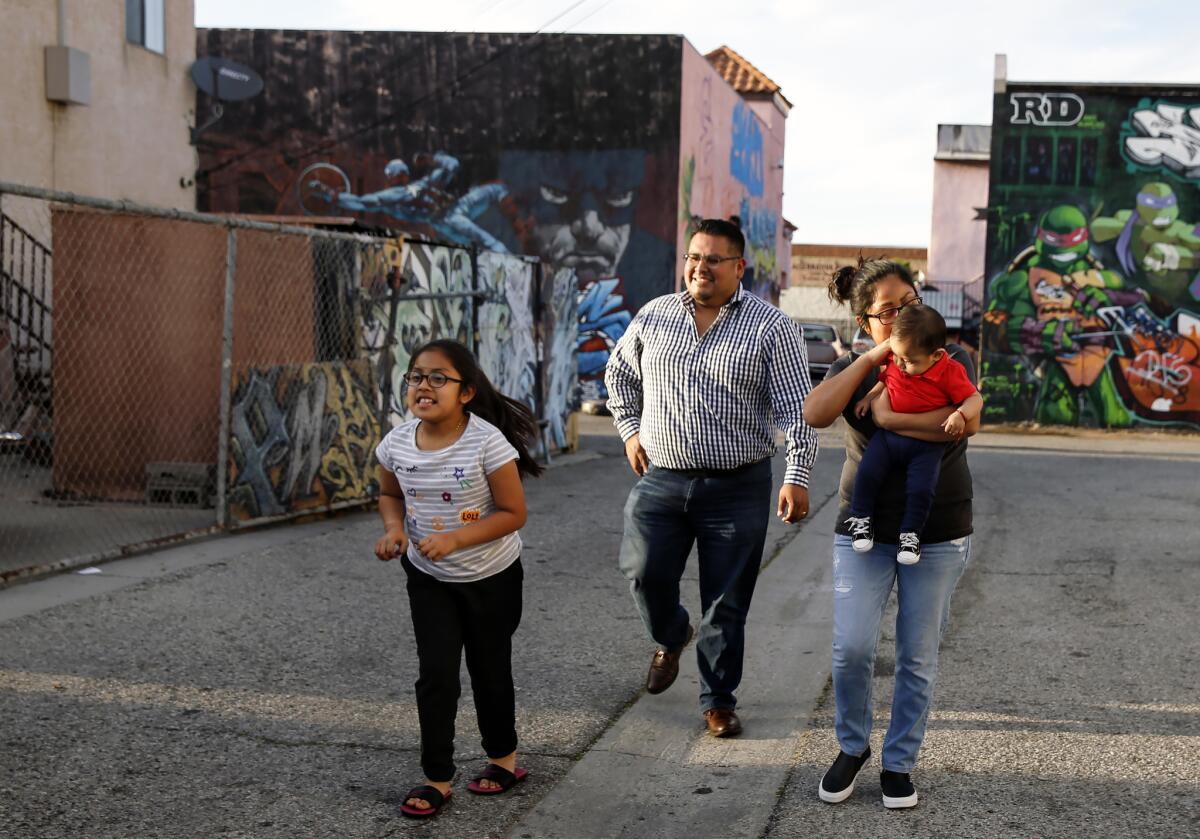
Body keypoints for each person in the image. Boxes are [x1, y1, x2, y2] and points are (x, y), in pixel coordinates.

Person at [605, 218, 817, 738]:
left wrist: (797, 474)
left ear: (738, 267)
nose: (700, 268)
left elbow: (798, 410)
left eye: (713, 260)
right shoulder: (655, 315)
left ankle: (717, 699)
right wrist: (631, 433)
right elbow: (619, 376)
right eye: (693, 258)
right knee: (642, 570)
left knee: (726, 600)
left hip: (738, 485)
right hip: (663, 477)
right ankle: (671, 633)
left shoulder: (772, 327)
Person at [802, 259, 978, 810]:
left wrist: (888, 418)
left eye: (910, 300)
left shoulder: (948, 354)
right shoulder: (859, 365)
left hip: (939, 529)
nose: (904, 314)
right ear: (864, 322)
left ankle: (899, 763)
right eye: (888, 311)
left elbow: (962, 419)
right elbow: (815, 413)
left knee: (916, 656)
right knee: (851, 647)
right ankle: (852, 748)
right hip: (865, 528)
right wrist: (875, 360)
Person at [373, 339, 544, 819]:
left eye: (437, 378)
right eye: (415, 377)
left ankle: (503, 759)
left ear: (465, 391)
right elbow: (389, 494)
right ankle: (436, 778)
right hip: (429, 576)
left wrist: (456, 539)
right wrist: (393, 530)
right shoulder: (396, 443)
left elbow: (513, 513)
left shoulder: (488, 442)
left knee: (489, 668)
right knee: (437, 674)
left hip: (492, 576)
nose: (423, 385)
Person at [846, 303, 983, 564]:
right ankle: (861, 519)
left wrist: (960, 414)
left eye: (908, 361)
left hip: (926, 446)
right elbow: (886, 377)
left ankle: (910, 537)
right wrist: (870, 396)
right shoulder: (900, 357)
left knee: (921, 489)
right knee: (867, 472)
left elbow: (975, 399)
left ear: (936, 355)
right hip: (888, 440)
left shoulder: (950, 371)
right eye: (896, 357)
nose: (899, 363)